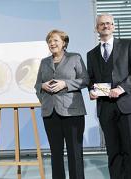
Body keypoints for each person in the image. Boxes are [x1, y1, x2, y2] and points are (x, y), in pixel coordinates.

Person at [87, 13, 131, 179]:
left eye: (108, 23)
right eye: (101, 24)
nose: (105, 26)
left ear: (113, 26)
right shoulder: (91, 54)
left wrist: (121, 88)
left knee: (130, 150)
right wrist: (91, 90)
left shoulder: (128, 45)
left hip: (127, 105)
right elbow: (91, 79)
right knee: (112, 150)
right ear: (96, 29)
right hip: (105, 107)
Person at [35, 29, 89, 179]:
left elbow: (85, 80)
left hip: (72, 112)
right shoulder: (44, 62)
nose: (52, 43)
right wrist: (43, 87)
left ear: (64, 43)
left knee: (74, 152)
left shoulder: (75, 58)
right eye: (49, 41)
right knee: (55, 153)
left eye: (55, 40)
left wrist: (65, 84)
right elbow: (37, 85)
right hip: (50, 112)